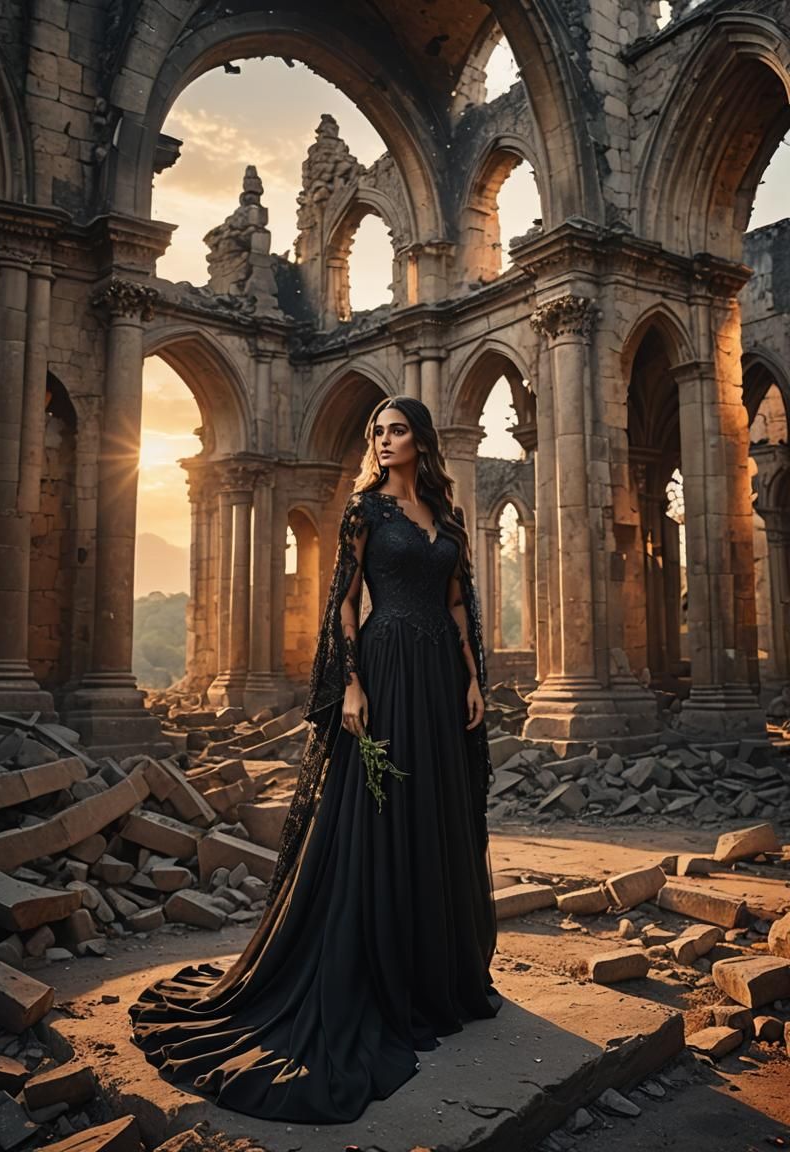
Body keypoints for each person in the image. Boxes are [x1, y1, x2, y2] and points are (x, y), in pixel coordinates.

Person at [129, 395, 501, 1125]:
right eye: (378, 432)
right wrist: (351, 683)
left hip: (438, 678)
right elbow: (344, 604)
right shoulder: (366, 512)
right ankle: (376, 970)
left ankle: (435, 974)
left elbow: (459, 604)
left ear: (422, 440)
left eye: (397, 430)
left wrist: (472, 679)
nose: (385, 440)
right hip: (388, 668)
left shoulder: (447, 517)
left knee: (437, 810)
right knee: (381, 811)